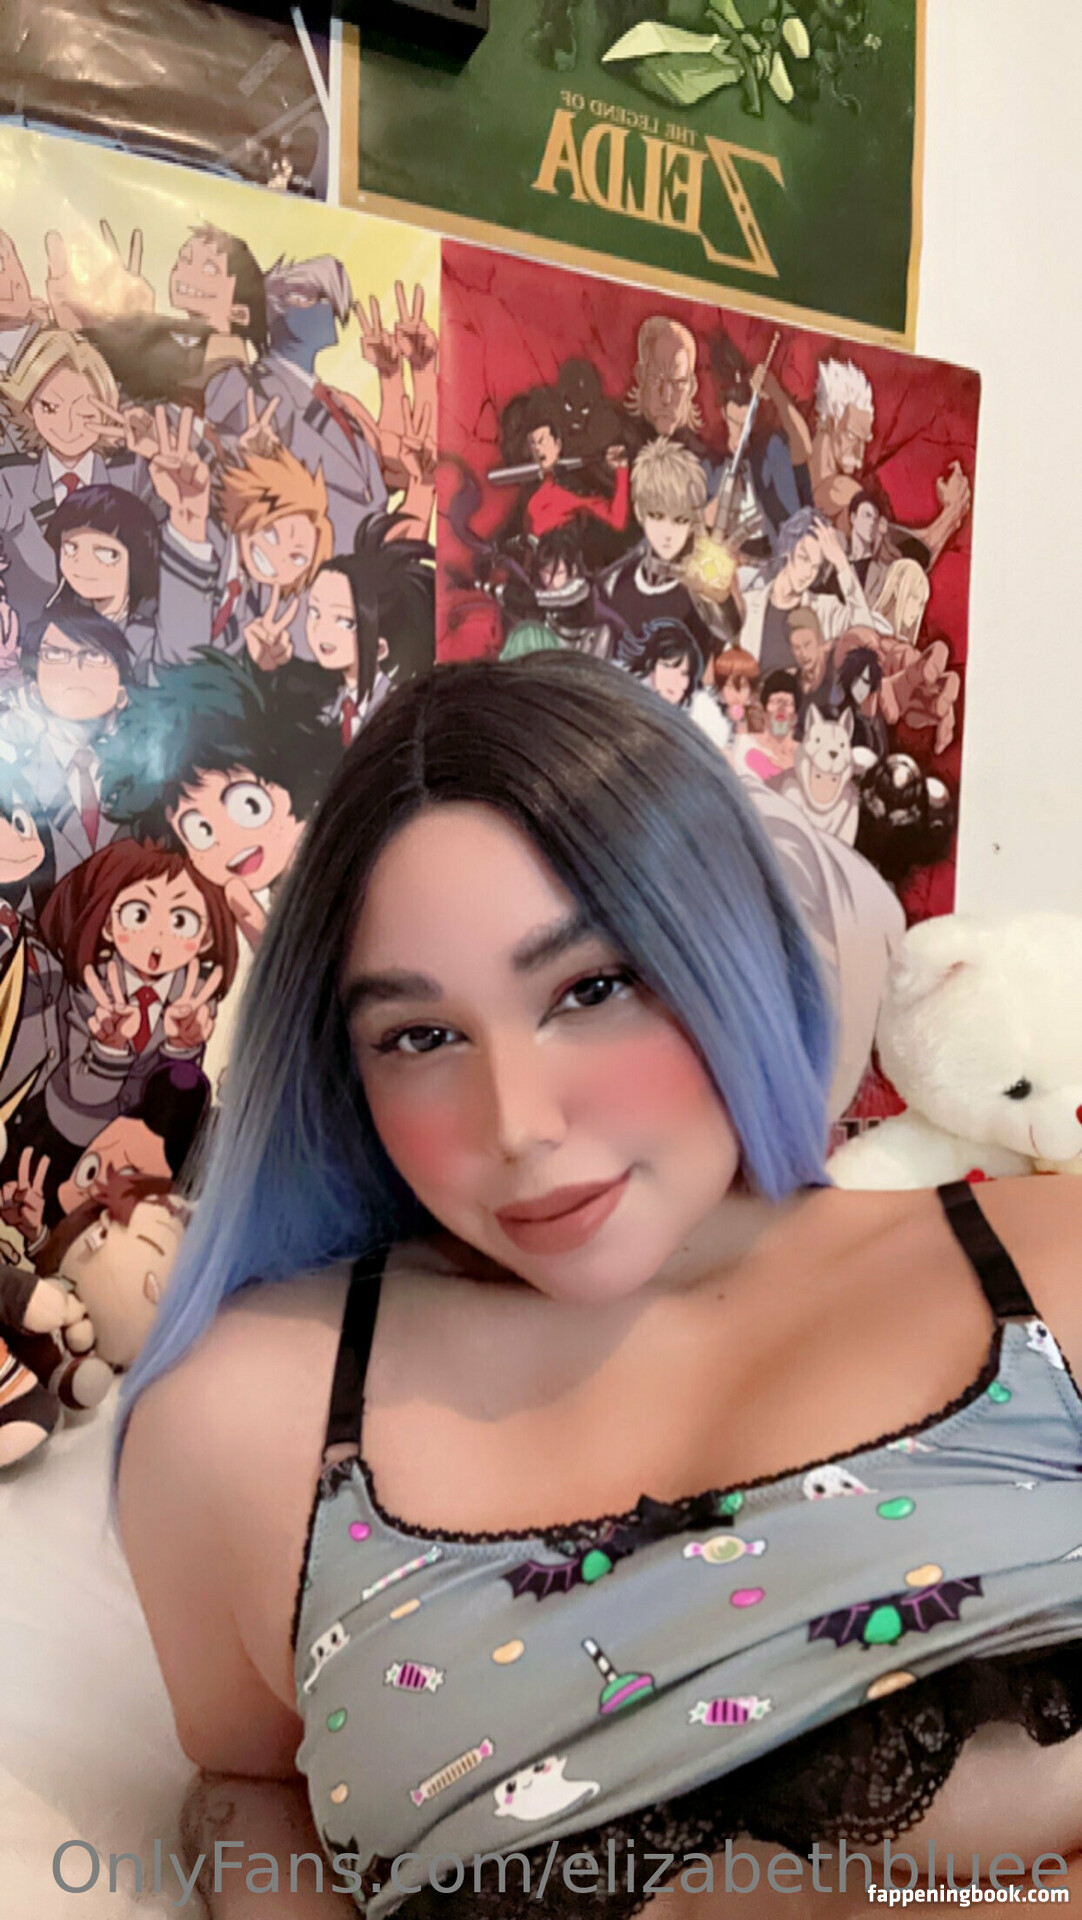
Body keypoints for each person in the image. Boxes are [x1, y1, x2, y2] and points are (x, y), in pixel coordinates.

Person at [113, 657, 1082, 1919]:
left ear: (729, 950)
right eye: (420, 1036)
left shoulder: (1049, 1272)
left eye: (591, 989)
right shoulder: (241, 1421)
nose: (517, 1123)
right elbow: (245, 1785)